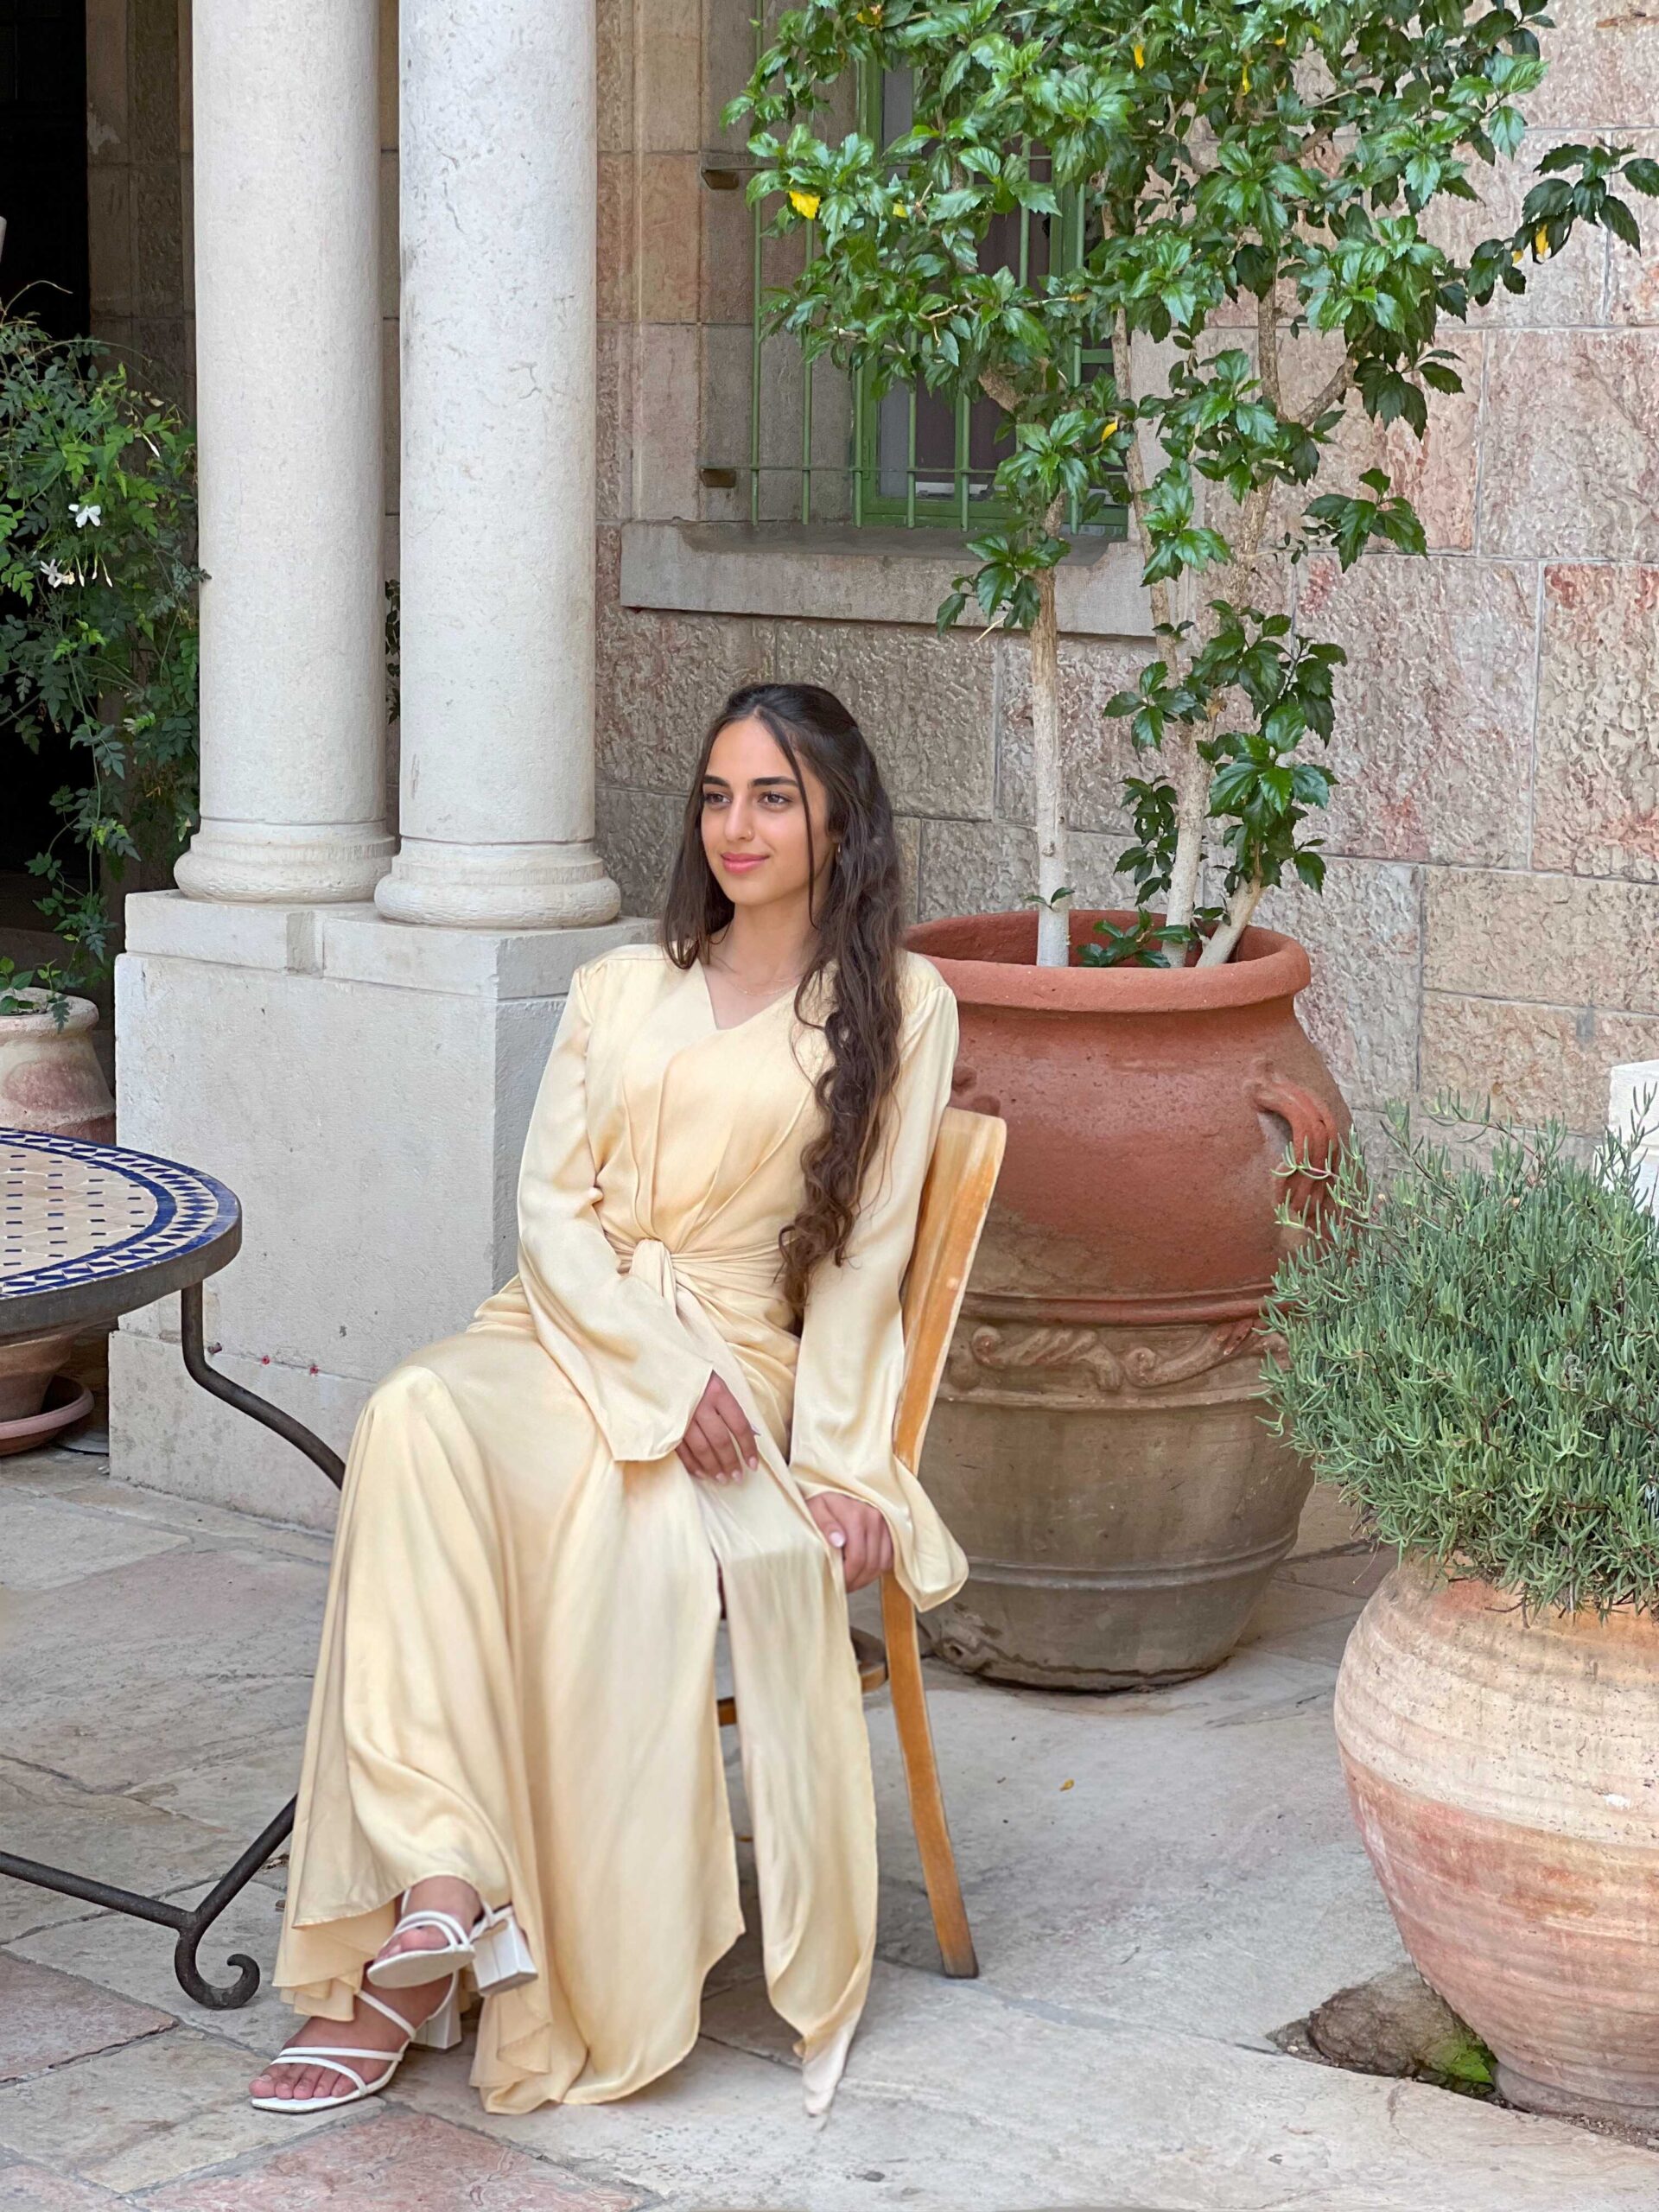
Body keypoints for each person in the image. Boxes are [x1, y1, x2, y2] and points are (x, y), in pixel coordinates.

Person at [248, 682, 969, 2120]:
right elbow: (551, 1214)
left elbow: (864, 1269)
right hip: (576, 1329)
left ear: (840, 819)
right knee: (415, 1415)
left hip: (738, 1366)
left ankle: (421, 1974)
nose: (737, 827)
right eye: (717, 796)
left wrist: (845, 1470)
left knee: (601, 1526)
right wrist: (651, 1367)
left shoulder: (902, 1007)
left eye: (773, 797)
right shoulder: (620, 986)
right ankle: (442, 1884)